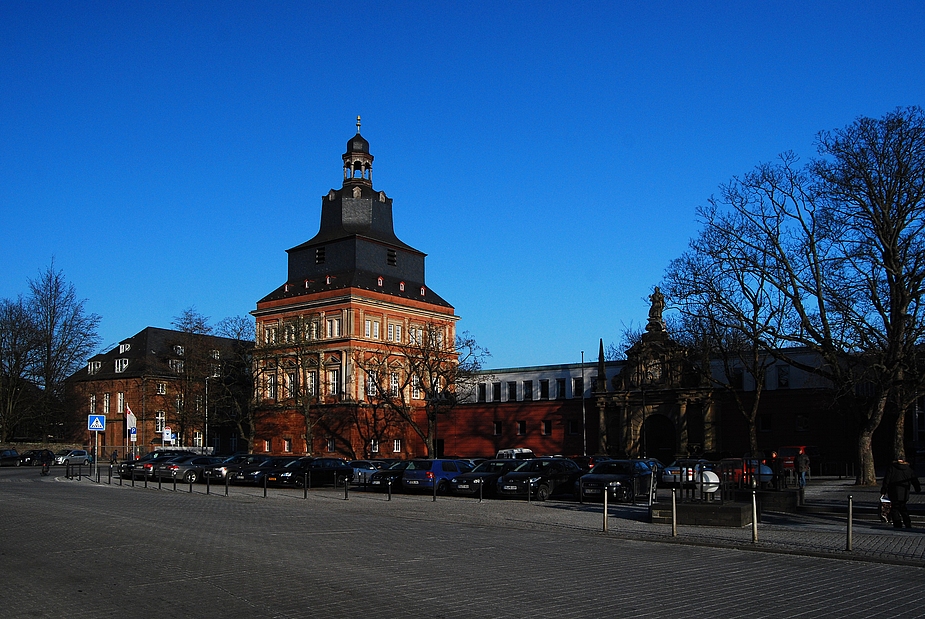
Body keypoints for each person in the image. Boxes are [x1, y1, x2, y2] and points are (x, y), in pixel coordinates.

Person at [880, 459, 921, 529]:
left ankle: (897, 524)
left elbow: (886, 480)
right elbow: (914, 480)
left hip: (893, 491)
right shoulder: (909, 469)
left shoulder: (892, 468)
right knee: (903, 507)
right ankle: (907, 523)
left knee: (894, 509)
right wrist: (917, 488)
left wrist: (884, 490)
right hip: (904, 492)